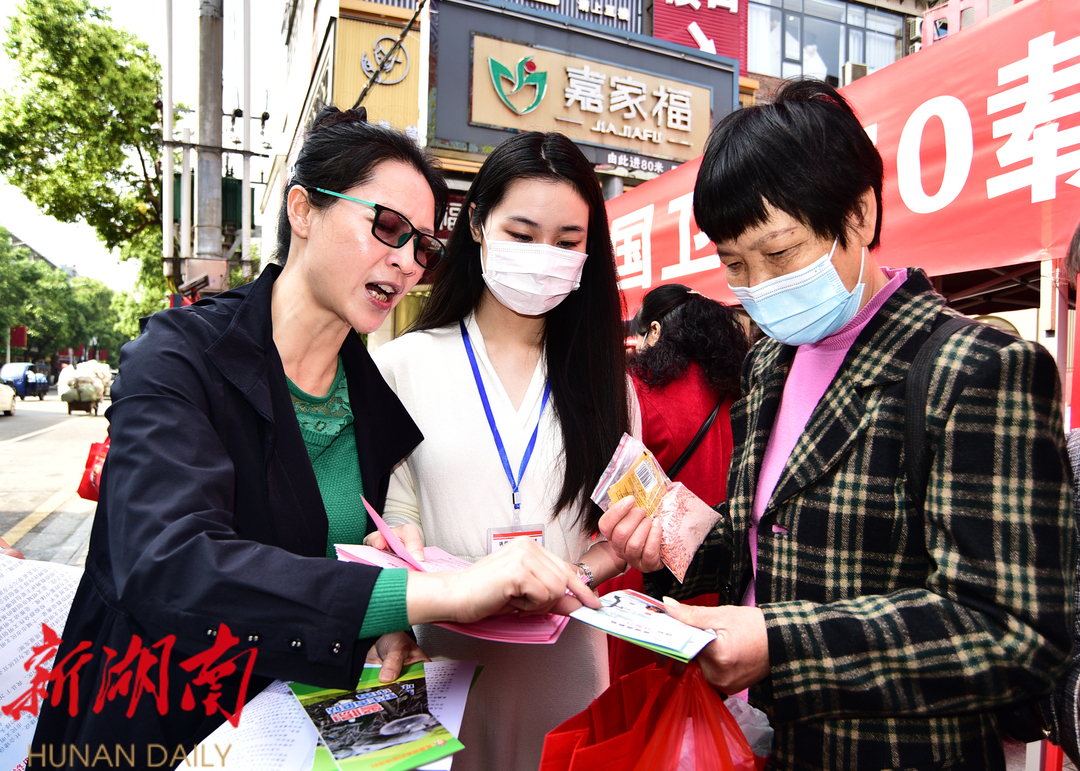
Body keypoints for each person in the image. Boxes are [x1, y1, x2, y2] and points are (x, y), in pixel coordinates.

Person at [31, 108, 598, 763]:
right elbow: (169, 563)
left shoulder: (376, 401)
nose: (405, 261)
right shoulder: (178, 358)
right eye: (387, 226)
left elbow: (335, 568)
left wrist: (381, 619)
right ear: (302, 210)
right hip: (151, 729)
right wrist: (434, 592)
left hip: (294, 738)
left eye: (422, 246)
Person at [600, 79, 1076, 770]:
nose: (759, 285)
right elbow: (765, 538)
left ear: (858, 213)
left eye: (780, 252)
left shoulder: (979, 368)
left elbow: (1012, 630)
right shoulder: (769, 363)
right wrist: (671, 542)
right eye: (735, 264)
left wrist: (781, 644)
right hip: (761, 740)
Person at [370, 131, 633, 771]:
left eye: (567, 242)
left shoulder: (608, 383)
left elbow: (619, 531)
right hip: (443, 667)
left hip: (569, 672)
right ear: (478, 225)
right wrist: (394, 612)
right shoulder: (401, 366)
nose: (545, 257)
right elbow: (392, 523)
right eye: (522, 233)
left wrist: (573, 579)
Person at [600, 284, 748, 680]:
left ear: (655, 330)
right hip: (719, 573)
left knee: (641, 693)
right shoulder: (737, 391)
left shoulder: (640, 390)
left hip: (651, 573)